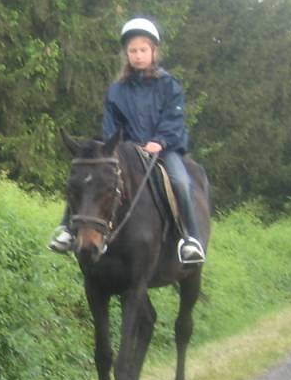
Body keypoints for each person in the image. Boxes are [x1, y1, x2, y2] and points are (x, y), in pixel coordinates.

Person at [50, 17, 205, 264]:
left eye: (143, 50)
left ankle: (190, 239)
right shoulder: (117, 90)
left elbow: (174, 118)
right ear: (126, 54)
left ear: (153, 51)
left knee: (181, 181)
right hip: (128, 151)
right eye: (133, 51)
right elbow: (111, 126)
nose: (138, 55)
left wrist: (160, 141)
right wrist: (115, 147)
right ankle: (66, 230)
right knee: (89, 178)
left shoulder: (168, 84)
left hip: (164, 150)